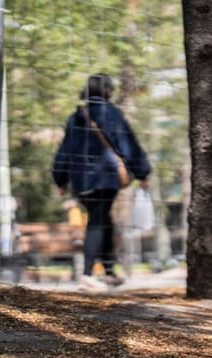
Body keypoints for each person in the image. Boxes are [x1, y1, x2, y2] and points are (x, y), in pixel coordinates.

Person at [52, 73, 151, 291]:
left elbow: (64, 150)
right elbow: (128, 144)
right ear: (108, 91)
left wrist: (60, 178)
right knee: (98, 220)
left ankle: (108, 271)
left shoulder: (76, 117)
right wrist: (142, 172)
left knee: (103, 219)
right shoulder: (111, 113)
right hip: (105, 176)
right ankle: (87, 274)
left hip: (80, 179)